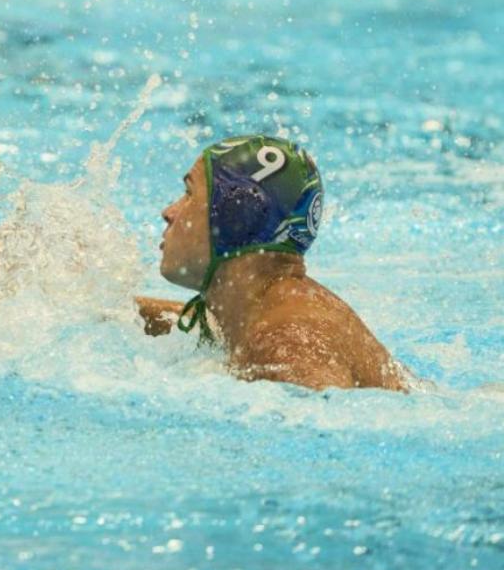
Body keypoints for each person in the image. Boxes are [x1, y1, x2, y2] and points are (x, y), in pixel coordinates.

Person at [157, 135, 408, 391]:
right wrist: (120, 314)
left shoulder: (286, 343)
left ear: (238, 217)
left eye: (189, 193)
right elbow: (198, 323)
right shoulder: (260, 308)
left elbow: (329, 421)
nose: (168, 212)